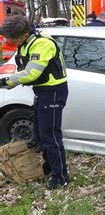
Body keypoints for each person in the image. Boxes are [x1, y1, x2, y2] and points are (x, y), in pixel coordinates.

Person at [0, 15, 69, 190]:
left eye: (13, 39)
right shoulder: (27, 41)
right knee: (40, 133)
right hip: (42, 91)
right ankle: (50, 168)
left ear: (24, 34)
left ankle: (60, 177)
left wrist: (6, 81)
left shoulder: (42, 44)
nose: (11, 42)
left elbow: (32, 73)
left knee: (50, 135)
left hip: (52, 92)